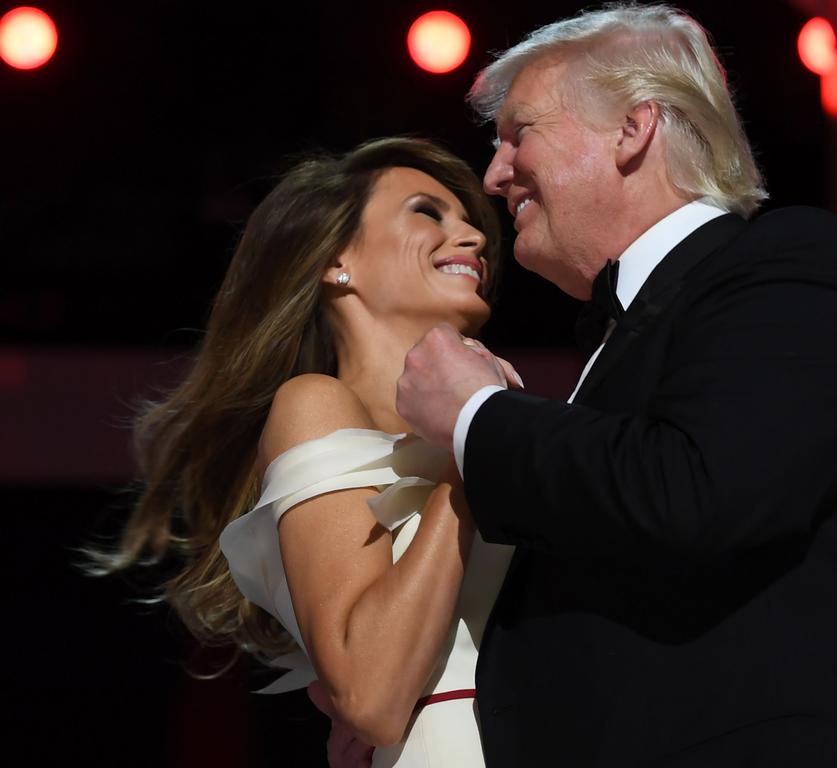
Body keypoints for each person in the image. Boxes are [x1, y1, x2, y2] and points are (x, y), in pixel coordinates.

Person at [389, 4, 837, 766]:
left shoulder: (792, 262)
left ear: (634, 128)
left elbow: (690, 492)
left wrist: (474, 413)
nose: (494, 175)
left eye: (520, 133)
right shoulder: (616, 337)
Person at [89, 137, 518, 767]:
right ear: (335, 259)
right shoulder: (314, 404)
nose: (474, 237)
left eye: (471, 222)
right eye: (428, 212)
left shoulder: (509, 418)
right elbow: (370, 697)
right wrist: (473, 456)